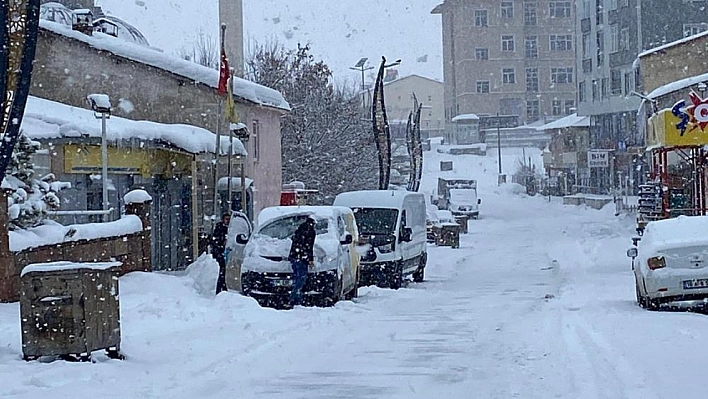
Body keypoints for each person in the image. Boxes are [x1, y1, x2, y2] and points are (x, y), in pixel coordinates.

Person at [288, 217, 316, 307]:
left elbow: (295, 242)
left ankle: (296, 299)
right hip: (302, 258)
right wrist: (310, 259)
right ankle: (294, 298)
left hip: (294, 256)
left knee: (296, 277)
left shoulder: (299, 229)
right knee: (301, 278)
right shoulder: (311, 231)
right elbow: (309, 246)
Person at [211, 212, 231, 294]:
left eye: (229, 219)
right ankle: (220, 289)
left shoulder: (231, 229)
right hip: (220, 252)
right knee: (222, 270)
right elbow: (216, 240)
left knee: (225, 270)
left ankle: (223, 287)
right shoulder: (219, 228)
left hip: (226, 252)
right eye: (226, 219)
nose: (228, 221)